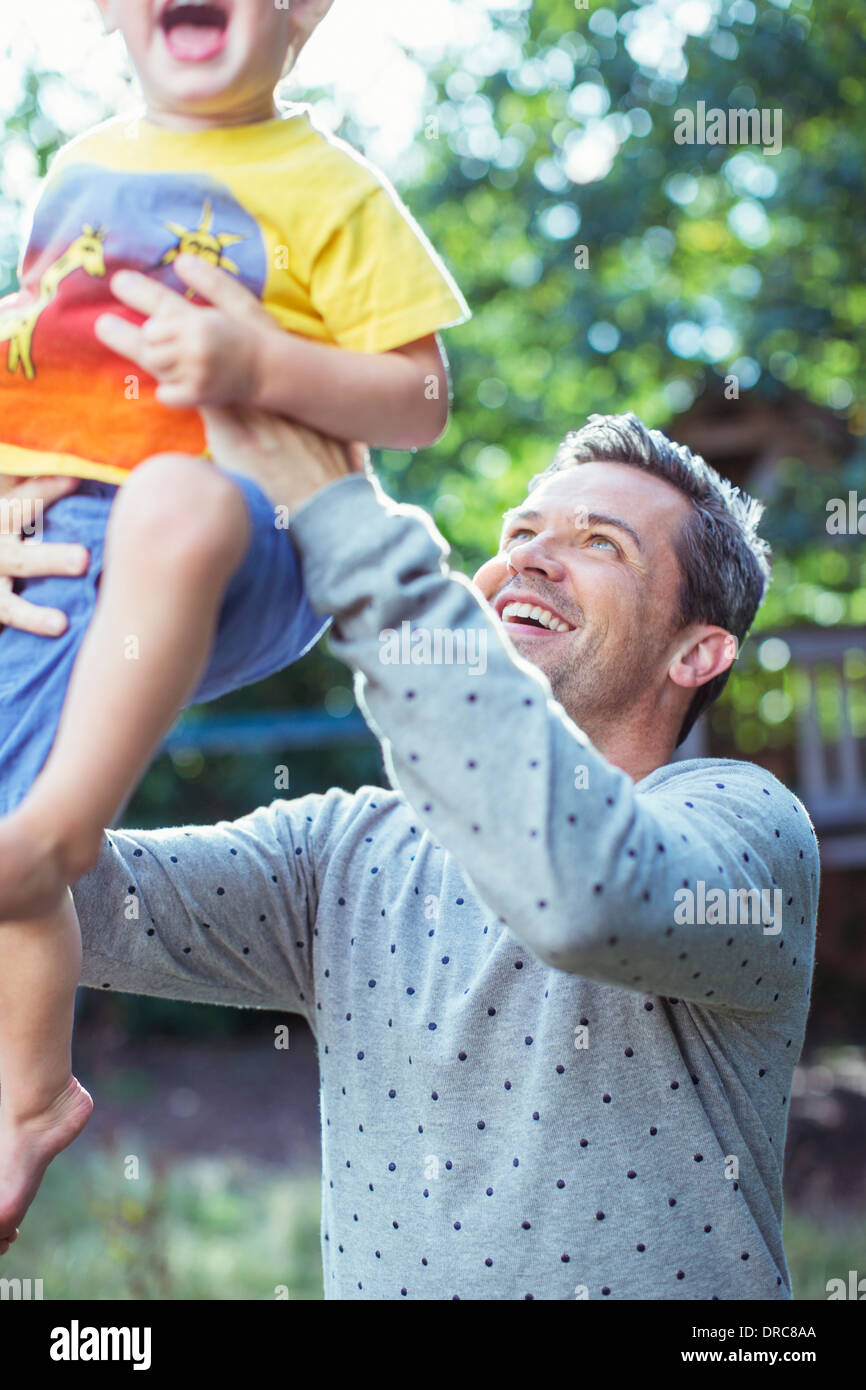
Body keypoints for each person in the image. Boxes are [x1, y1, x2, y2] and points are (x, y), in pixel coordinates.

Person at [0, 407, 819, 1299]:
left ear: (698, 652)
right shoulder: (342, 853)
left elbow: (583, 899)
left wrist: (348, 524)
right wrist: (25, 642)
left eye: (602, 544)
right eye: (521, 532)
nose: (531, 557)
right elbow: (52, 880)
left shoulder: (747, 826)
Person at [0, 0, 468, 1247]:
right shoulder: (72, 172)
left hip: (242, 533)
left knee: (170, 498)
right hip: (57, 568)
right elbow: (38, 367)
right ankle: (28, 1096)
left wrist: (258, 366)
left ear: (303, 14)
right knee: (3, 849)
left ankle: (58, 829)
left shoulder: (325, 182)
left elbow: (420, 395)